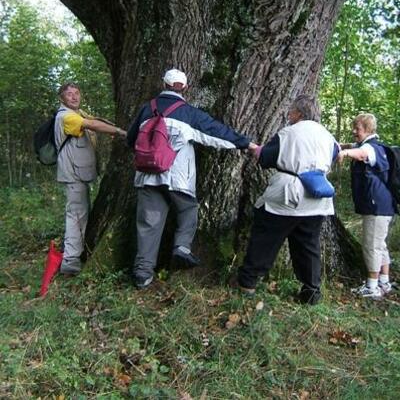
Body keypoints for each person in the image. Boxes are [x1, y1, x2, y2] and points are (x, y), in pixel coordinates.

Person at [127, 68, 254, 289]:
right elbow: (217, 133)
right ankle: (182, 247)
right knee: (187, 210)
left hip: (147, 176)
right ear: (185, 88)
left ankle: (143, 274)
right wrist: (247, 144)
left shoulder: (147, 109)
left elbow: (131, 140)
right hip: (177, 178)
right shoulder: (189, 113)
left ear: (164, 85)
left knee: (149, 224)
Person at [237, 95, 339, 305]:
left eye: (291, 111)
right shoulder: (328, 136)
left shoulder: (289, 133)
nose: (288, 115)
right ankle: (311, 291)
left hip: (288, 193)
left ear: (299, 114)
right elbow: (336, 156)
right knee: (308, 245)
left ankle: (247, 284)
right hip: (317, 199)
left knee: (265, 238)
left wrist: (257, 151)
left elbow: (266, 158)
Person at [55, 82, 127, 275]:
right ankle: (70, 261)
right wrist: (120, 132)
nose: (74, 96)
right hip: (73, 176)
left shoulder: (79, 114)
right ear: (62, 98)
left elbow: (94, 119)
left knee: (79, 214)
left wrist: (111, 126)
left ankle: (73, 254)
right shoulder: (66, 117)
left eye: (76, 93)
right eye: (69, 94)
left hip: (79, 175)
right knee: (76, 216)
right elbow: (91, 124)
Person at [338, 113, 397, 299]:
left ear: (368, 129)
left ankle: (372, 287)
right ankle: (384, 282)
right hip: (383, 205)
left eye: (358, 128)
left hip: (377, 206)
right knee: (380, 244)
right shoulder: (370, 145)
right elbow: (354, 146)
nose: (354, 131)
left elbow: (362, 154)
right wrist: (340, 146)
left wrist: (345, 153)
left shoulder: (371, 149)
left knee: (371, 245)